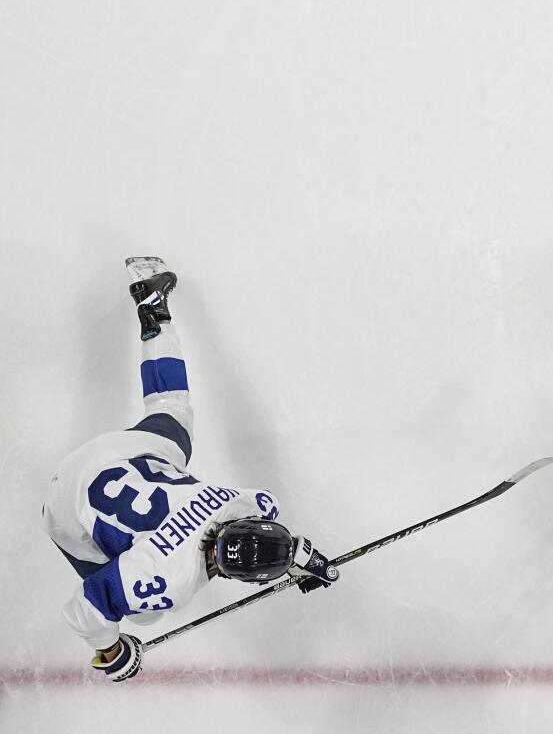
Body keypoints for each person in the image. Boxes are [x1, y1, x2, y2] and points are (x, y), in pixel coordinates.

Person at [43, 258, 340, 682]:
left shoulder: (238, 502)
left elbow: (264, 512)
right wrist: (111, 652)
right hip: (63, 502)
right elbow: (83, 609)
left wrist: (294, 554)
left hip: (120, 452)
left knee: (171, 408)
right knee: (145, 619)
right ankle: (152, 309)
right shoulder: (168, 581)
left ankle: (153, 310)